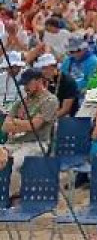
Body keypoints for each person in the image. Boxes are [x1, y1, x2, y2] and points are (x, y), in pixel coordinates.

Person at [0, 69, 58, 200]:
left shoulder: (50, 100)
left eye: (27, 83)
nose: (25, 87)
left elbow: (34, 126)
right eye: (24, 84)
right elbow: (4, 127)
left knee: (15, 162)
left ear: (38, 81)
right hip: (14, 142)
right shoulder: (21, 101)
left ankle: (14, 200)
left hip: (36, 143)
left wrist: (14, 121)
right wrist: (22, 123)